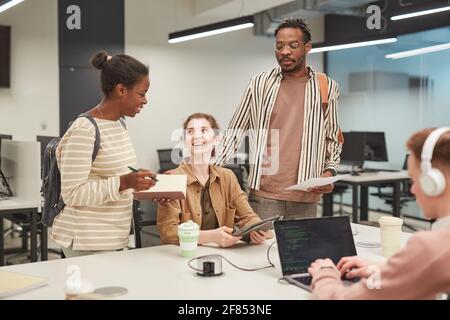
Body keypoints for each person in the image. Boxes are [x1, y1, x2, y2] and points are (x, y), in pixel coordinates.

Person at [215, 17, 343, 220]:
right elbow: (235, 131)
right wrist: (211, 170)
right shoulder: (259, 83)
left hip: (306, 195)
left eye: (293, 45)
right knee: (259, 251)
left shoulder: (326, 86)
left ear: (307, 47)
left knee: (303, 252)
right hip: (264, 193)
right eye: (280, 46)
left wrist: (329, 171)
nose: (285, 51)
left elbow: (333, 138)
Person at [308, 127, 450, 299]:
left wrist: (325, 274)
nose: (412, 190)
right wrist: (380, 270)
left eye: (413, 179)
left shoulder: (430, 247)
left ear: (434, 183)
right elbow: (425, 274)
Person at [51, 51, 156, 257]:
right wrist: (124, 182)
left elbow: (114, 176)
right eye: (142, 93)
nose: (145, 100)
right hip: (86, 242)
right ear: (121, 90)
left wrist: (139, 182)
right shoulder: (85, 129)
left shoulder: (119, 124)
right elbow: (72, 193)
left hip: (113, 238)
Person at [157, 113, 271, 247]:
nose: (197, 136)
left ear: (216, 139)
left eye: (204, 130)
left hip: (223, 256)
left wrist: (256, 230)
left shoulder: (227, 177)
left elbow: (248, 216)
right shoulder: (172, 179)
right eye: (190, 131)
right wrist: (211, 236)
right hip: (184, 256)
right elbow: (168, 232)